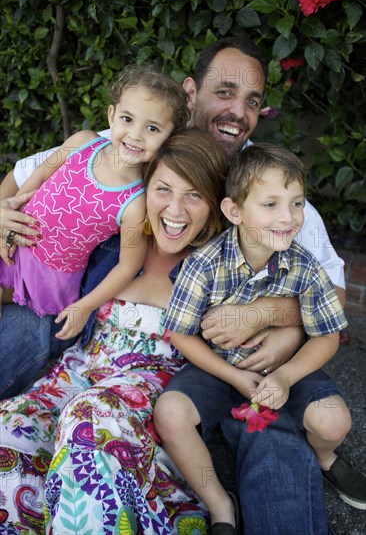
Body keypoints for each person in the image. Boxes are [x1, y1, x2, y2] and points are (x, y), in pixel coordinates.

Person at [0, 36, 362, 530]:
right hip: (97, 336)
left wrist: (270, 317)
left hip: (215, 354)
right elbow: (30, 176)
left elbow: (329, 295)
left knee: (273, 434)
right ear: (190, 93)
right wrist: (5, 210)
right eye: (225, 92)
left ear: (223, 209)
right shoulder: (134, 143)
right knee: (26, 368)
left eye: (252, 101)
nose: (237, 111)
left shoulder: (268, 187)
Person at [0, 129, 229, 534]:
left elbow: (294, 305)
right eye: (163, 189)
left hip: (137, 399)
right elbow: (32, 234)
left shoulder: (217, 270)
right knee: (10, 428)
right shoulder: (112, 241)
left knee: (87, 419)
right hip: (76, 374)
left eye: (194, 195)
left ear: (215, 205)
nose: (175, 210)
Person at [153, 143, 352, 533]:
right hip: (214, 369)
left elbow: (328, 337)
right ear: (234, 211)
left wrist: (285, 377)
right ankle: (221, 506)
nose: (288, 218)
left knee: (333, 422)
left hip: (280, 366)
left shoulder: (304, 266)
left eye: (297, 204)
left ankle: (324, 457)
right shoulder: (205, 263)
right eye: (271, 204)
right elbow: (180, 333)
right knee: (170, 413)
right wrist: (235, 378)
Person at [0, 64, 189, 340]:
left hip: (51, 272)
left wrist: (85, 306)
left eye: (151, 128)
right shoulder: (83, 142)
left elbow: (126, 266)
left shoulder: (135, 203)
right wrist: (14, 214)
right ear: (111, 116)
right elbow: (40, 174)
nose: (135, 135)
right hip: (18, 243)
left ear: (169, 138)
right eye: (127, 119)